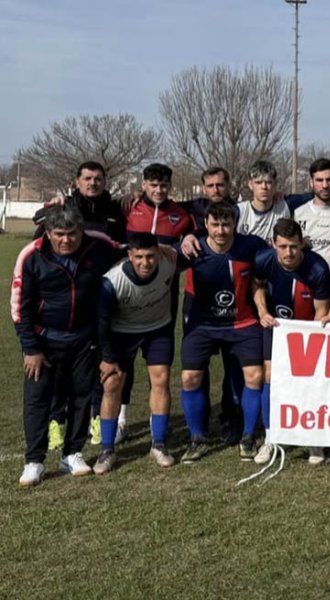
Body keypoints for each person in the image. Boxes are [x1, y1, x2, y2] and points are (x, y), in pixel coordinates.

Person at [12, 206, 123, 486]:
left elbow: (129, 249)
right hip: (44, 342)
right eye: (59, 234)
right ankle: (34, 460)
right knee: (38, 400)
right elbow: (19, 308)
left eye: (72, 233)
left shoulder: (98, 245)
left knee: (81, 397)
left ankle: (72, 453)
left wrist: (172, 249)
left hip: (83, 340)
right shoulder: (31, 256)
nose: (66, 240)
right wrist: (31, 348)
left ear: (81, 231)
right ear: (48, 233)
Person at [31, 161, 128, 452]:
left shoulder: (115, 210)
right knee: (59, 371)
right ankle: (55, 421)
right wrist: (49, 209)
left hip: (100, 302)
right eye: (87, 178)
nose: (93, 183)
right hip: (64, 300)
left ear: (105, 181)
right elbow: (41, 238)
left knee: (98, 365)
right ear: (77, 181)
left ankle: (97, 418)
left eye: (98, 178)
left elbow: (121, 248)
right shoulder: (64, 206)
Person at [178, 202, 268, 463]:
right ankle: (197, 438)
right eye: (215, 224)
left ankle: (248, 437)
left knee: (254, 377)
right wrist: (184, 239)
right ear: (206, 224)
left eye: (226, 224)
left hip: (243, 323)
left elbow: (281, 254)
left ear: (235, 223)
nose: (221, 230)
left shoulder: (252, 246)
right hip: (202, 325)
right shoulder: (193, 248)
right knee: (189, 379)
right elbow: (162, 259)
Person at [93, 233, 181, 474]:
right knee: (112, 383)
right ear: (129, 255)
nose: (145, 262)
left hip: (158, 329)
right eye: (139, 257)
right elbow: (101, 322)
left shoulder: (170, 262)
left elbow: (201, 250)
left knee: (161, 379)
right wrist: (108, 358)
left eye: (151, 256)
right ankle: (107, 449)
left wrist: (177, 244)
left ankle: (159, 444)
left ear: (159, 253)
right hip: (121, 332)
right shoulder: (112, 281)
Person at [252, 219, 330, 465]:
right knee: (269, 377)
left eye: (294, 247)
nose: (289, 252)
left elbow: (321, 310)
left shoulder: (317, 268)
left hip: (306, 331)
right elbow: (257, 286)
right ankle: (271, 436)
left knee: (306, 380)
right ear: (274, 244)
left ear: (302, 244)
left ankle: (312, 437)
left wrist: (306, 339)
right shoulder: (263, 260)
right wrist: (263, 311)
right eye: (284, 246)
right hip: (275, 327)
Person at [179, 166, 243, 446]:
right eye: (210, 186)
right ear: (203, 188)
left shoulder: (240, 210)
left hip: (235, 300)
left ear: (228, 185)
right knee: (196, 368)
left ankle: (231, 419)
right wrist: (186, 237)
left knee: (235, 366)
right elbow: (161, 204)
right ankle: (199, 425)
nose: (216, 190)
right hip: (198, 301)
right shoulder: (191, 210)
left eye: (220, 184)